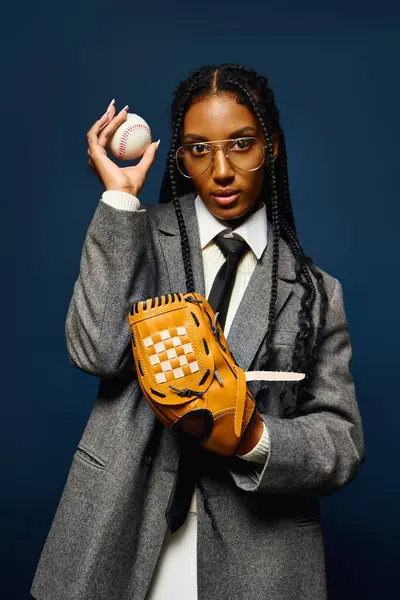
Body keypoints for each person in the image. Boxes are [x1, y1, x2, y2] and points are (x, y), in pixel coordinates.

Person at [31, 63, 365, 600]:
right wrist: (119, 199)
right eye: (199, 148)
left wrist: (256, 439)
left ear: (271, 147)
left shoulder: (316, 291)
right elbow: (95, 351)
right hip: (121, 537)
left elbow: (341, 442)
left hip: (257, 561)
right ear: (180, 157)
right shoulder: (136, 234)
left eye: (241, 144)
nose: (223, 169)